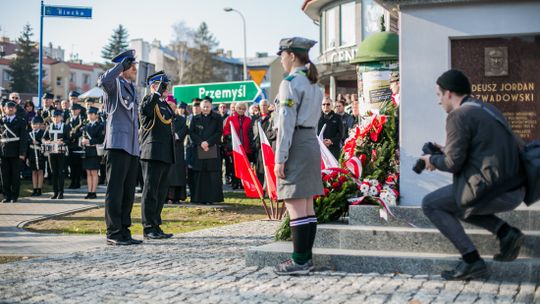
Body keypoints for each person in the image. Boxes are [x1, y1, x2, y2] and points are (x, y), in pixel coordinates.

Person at [420, 69, 526, 281]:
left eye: (439, 95)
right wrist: (445, 151)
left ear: (449, 93)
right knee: (457, 200)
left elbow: (452, 163)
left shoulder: (458, 115)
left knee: (432, 204)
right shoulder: (486, 108)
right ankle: (506, 233)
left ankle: (472, 260)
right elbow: (478, 152)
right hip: (515, 186)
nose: (439, 101)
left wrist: (431, 160)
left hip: (497, 190)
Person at [273, 37, 324, 275]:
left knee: (295, 205)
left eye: (282, 54)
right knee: (306, 205)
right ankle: (306, 258)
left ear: (292, 55)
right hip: (310, 141)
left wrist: (280, 157)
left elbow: (286, 122)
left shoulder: (290, 83)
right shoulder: (314, 82)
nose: (281, 59)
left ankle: (299, 261)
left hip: (295, 143)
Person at [97, 49, 142, 246]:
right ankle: (113, 232)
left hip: (132, 146)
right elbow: (102, 81)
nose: (135, 69)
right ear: (123, 67)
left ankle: (124, 230)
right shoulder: (114, 83)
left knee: (128, 191)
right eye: (131, 66)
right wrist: (118, 68)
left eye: (134, 66)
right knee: (115, 191)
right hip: (117, 145)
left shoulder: (132, 87)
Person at [139, 71, 175, 239]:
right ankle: (148, 227)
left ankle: (156, 224)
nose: (167, 88)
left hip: (165, 152)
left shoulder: (163, 103)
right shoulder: (149, 100)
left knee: (160, 192)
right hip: (152, 152)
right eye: (164, 85)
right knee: (150, 191)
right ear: (155, 86)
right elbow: (145, 111)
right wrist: (156, 92)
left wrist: (160, 95)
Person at [189, 99, 224, 204]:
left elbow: (219, 132)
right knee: (200, 175)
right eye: (203, 106)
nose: (205, 108)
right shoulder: (195, 119)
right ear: (200, 107)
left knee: (211, 175)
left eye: (207, 106)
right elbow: (192, 132)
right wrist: (201, 143)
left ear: (211, 106)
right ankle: (198, 198)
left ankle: (211, 199)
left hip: (212, 149)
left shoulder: (217, 118)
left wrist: (208, 143)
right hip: (199, 149)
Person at [0, 101, 28, 203]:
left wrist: (22, 153)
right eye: (8, 107)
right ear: (5, 109)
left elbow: (24, 138)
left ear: (15, 109)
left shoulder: (21, 121)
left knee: (15, 175)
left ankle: (14, 196)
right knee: (4, 175)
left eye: (12, 107)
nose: (10, 109)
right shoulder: (1, 121)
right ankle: (7, 195)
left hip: (16, 152)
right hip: (3, 152)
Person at [223, 102, 253, 190]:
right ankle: (235, 183)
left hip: (245, 147)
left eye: (243, 109)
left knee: (244, 167)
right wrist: (230, 136)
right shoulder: (230, 119)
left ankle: (243, 184)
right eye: (239, 108)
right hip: (234, 147)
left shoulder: (248, 120)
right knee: (234, 166)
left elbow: (250, 132)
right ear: (235, 109)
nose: (241, 110)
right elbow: (226, 130)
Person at [43, 109, 70, 199]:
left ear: (61, 117)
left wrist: (62, 142)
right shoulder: (49, 126)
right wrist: (46, 141)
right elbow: (43, 138)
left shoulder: (65, 126)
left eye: (57, 117)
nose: (56, 118)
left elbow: (68, 139)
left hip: (61, 152)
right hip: (51, 152)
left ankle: (61, 192)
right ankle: (55, 192)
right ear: (51, 117)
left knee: (60, 172)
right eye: (54, 117)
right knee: (53, 172)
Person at [166, 96, 188, 204]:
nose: (170, 106)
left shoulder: (181, 119)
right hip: (165, 150)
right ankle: (165, 196)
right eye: (168, 104)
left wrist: (176, 136)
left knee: (176, 175)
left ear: (175, 106)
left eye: (172, 104)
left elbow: (184, 130)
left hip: (177, 149)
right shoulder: (162, 117)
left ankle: (176, 197)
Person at [81, 107, 104, 199]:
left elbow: (101, 139)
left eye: (91, 114)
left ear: (96, 115)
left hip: (94, 151)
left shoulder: (100, 126)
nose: (89, 116)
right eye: (88, 114)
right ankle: (89, 191)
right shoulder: (86, 126)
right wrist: (83, 141)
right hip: (87, 151)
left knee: (94, 172)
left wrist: (89, 142)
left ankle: (93, 192)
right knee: (88, 172)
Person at [252, 99, 276, 185]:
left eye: (265, 105)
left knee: (269, 168)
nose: (263, 107)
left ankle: (269, 188)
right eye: (261, 105)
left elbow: (274, 131)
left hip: (269, 146)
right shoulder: (256, 118)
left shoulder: (272, 117)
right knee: (259, 168)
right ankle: (261, 187)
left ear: (268, 106)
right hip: (258, 148)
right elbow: (253, 132)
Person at [66, 103, 85, 189]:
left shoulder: (82, 120)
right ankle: (72, 181)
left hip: (78, 145)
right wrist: (69, 136)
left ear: (79, 110)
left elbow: (83, 131)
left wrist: (75, 135)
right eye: (72, 110)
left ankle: (77, 182)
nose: (73, 111)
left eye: (75, 110)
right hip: (70, 145)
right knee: (71, 165)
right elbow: (66, 129)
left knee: (78, 165)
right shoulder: (68, 120)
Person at [27, 116, 46, 196]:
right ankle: (34, 189)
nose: (35, 126)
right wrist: (27, 157)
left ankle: (39, 189)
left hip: (40, 154)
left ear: (40, 125)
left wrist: (38, 142)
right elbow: (27, 146)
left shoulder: (43, 133)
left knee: (40, 171)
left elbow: (45, 144)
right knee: (34, 172)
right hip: (31, 154)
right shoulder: (29, 134)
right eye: (33, 124)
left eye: (37, 124)